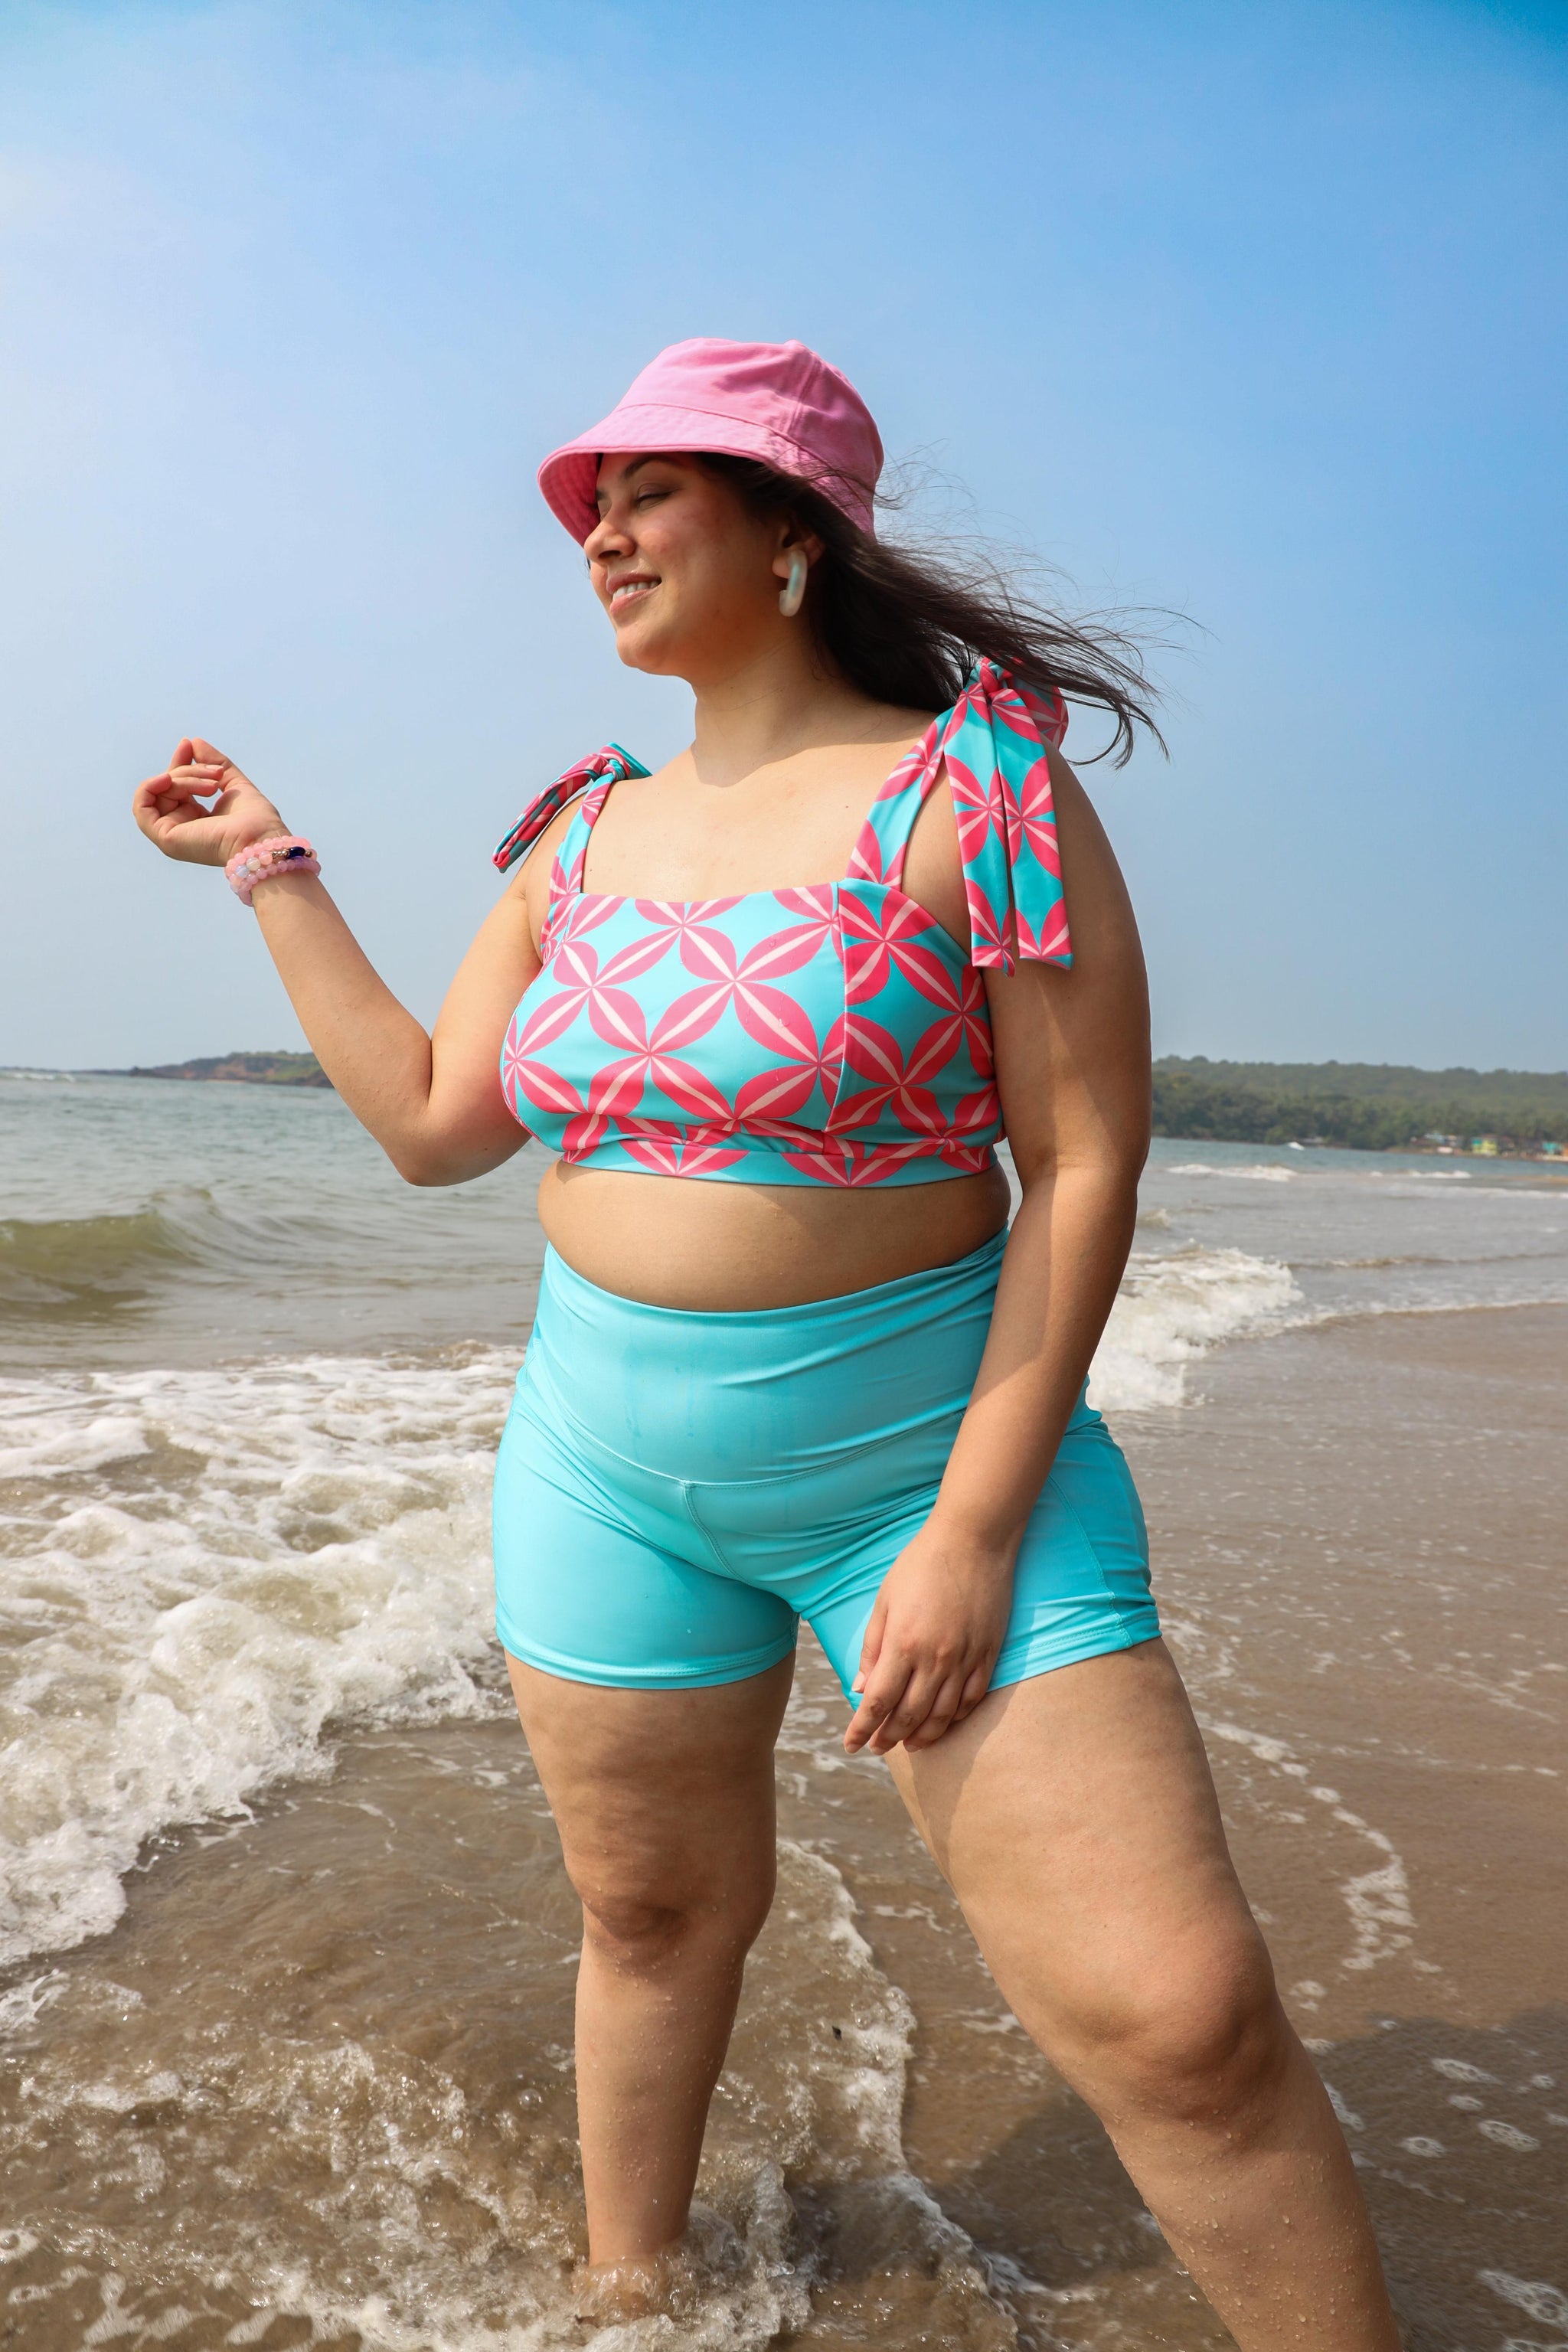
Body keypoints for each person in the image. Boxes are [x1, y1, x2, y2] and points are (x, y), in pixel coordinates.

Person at [133, 338, 1401, 2347]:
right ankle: (625, 2304)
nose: (602, 536)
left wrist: (970, 1534)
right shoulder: (578, 831)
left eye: (652, 492)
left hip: (927, 1466)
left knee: (1181, 2020)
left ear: (795, 533)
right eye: (592, 506)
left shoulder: (976, 789)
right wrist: (267, 867)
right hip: (601, 1473)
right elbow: (436, 1126)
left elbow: (1081, 1164)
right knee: (649, 1921)